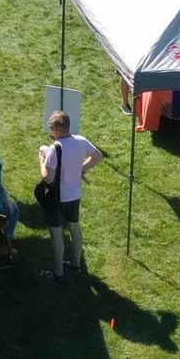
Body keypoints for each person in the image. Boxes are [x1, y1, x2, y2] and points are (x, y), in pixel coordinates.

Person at [37, 110, 103, 281]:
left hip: (57, 198)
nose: (51, 131)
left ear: (58, 129)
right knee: (74, 227)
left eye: (51, 128)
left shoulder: (54, 149)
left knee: (57, 234)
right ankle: (76, 263)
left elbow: (48, 178)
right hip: (75, 195)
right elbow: (98, 156)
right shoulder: (81, 141)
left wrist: (41, 160)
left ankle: (58, 272)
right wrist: (82, 169)